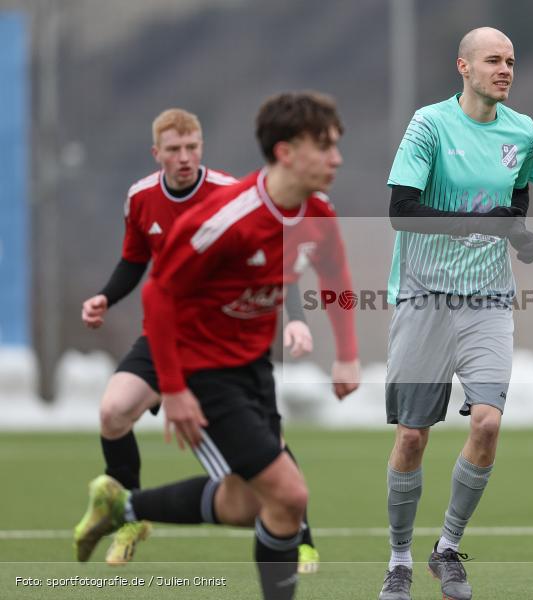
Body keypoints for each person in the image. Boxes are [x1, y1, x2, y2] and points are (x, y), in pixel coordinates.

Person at [74, 91, 360, 600]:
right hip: (203, 372)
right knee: (289, 494)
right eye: (324, 146)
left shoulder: (317, 213)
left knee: (246, 504)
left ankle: (124, 508)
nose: (337, 158)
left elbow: (336, 276)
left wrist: (347, 354)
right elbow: (159, 292)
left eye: (337, 146)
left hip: (253, 368)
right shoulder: (228, 218)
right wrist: (176, 389)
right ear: (286, 152)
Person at [378, 27, 533, 600]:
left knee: (487, 423)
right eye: (493, 60)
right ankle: (398, 559)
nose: (505, 69)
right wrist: (480, 223)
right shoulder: (429, 125)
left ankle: (447, 549)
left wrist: (516, 231)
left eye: (511, 61)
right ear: (463, 67)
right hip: (424, 296)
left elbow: (517, 196)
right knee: (413, 437)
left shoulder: (524, 132)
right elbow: (401, 211)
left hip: (488, 300)